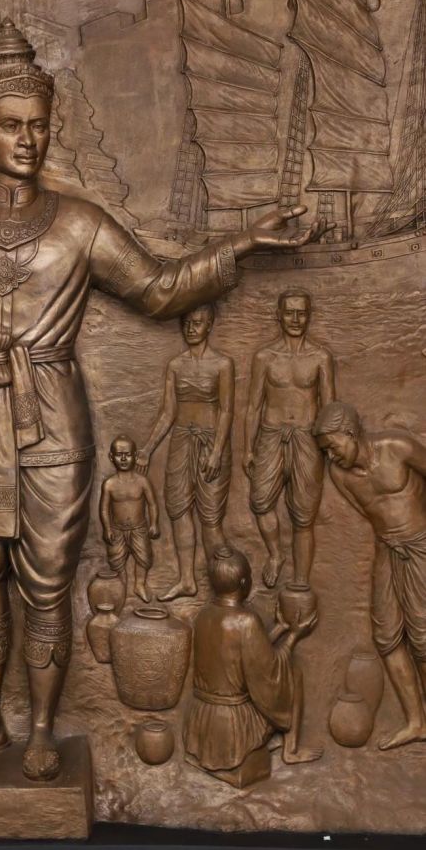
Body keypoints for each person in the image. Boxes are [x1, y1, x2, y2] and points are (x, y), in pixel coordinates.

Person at [0, 17, 327, 781]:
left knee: (47, 582)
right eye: (11, 125)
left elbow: (159, 289)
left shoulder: (79, 225)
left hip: (51, 423)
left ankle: (41, 729)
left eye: (39, 125)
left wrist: (242, 243)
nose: (28, 140)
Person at [313, 402, 426, 750]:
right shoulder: (340, 475)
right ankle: (416, 722)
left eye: (332, 446)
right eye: (325, 451)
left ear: (350, 433)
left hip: (421, 546)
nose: (331, 456)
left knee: (423, 635)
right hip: (386, 550)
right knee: (387, 636)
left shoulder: (398, 447)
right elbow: (369, 513)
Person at [184, 545, 321, 782]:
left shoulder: (203, 615)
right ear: (244, 582)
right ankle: (291, 750)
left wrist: (280, 628)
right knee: (292, 673)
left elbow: (242, 655)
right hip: (234, 723)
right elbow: (267, 669)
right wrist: (293, 636)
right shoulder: (245, 620)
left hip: (202, 717)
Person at [137, 303, 234, 600]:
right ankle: (187, 580)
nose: (191, 328)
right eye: (187, 323)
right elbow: (168, 412)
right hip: (181, 442)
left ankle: (223, 585)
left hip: (211, 443)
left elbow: (226, 410)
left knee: (211, 518)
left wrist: (217, 451)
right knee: (179, 511)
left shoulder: (222, 365)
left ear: (209, 325)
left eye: (198, 322)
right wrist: (147, 449)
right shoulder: (175, 366)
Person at [243, 289, 335, 589]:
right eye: (289, 313)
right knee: (260, 502)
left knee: (304, 516)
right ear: (278, 316)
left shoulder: (321, 357)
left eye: (301, 313)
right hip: (271, 435)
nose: (295, 319)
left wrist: (328, 446)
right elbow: (254, 406)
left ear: (309, 316)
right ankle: (275, 554)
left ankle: (300, 582)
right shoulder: (265, 357)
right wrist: (247, 448)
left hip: (307, 439)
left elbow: (329, 408)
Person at [100, 435, 159, 602]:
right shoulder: (109, 484)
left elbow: (152, 504)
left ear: (135, 456)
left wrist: (154, 524)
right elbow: (104, 508)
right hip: (117, 529)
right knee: (117, 559)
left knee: (144, 557)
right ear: (111, 457)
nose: (124, 459)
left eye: (128, 454)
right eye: (119, 455)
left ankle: (139, 585)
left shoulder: (142, 482)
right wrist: (107, 528)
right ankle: (122, 587)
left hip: (139, 528)